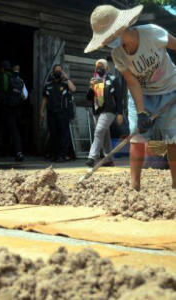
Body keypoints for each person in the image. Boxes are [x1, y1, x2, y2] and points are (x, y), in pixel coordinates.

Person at [85, 4, 176, 191]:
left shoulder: (152, 33)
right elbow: (133, 83)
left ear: (118, 30)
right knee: (137, 138)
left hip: (169, 88)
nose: (106, 43)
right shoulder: (117, 53)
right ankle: (134, 187)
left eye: (107, 38)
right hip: (141, 94)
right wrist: (141, 112)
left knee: (172, 138)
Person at [86, 59, 124, 168]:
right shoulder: (95, 80)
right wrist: (91, 87)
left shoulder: (113, 79)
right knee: (105, 134)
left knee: (98, 132)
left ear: (107, 68)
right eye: (97, 66)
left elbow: (118, 97)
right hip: (97, 110)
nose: (99, 68)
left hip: (109, 110)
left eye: (102, 66)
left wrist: (120, 113)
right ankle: (109, 159)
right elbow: (88, 97)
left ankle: (92, 157)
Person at [40, 64, 76, 163]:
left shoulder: (65, 84)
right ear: (53, 72)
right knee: (53, 135)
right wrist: (41, 111)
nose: (58, 72)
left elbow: (73, 89)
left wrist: (67, 78)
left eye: (60, 71)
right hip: (51, 114)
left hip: (63, 114)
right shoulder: (48, 85)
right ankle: (55, 155)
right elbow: (44, 99)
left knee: (63, 135)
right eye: (56, 70)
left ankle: (62, 155)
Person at [0, 61, 25, 162]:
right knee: (14, 130)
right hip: (13, 108)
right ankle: (19, 152)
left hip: (2, 107)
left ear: (2, 68)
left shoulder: (0, 76)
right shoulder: (18, 80)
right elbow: (22, 95)